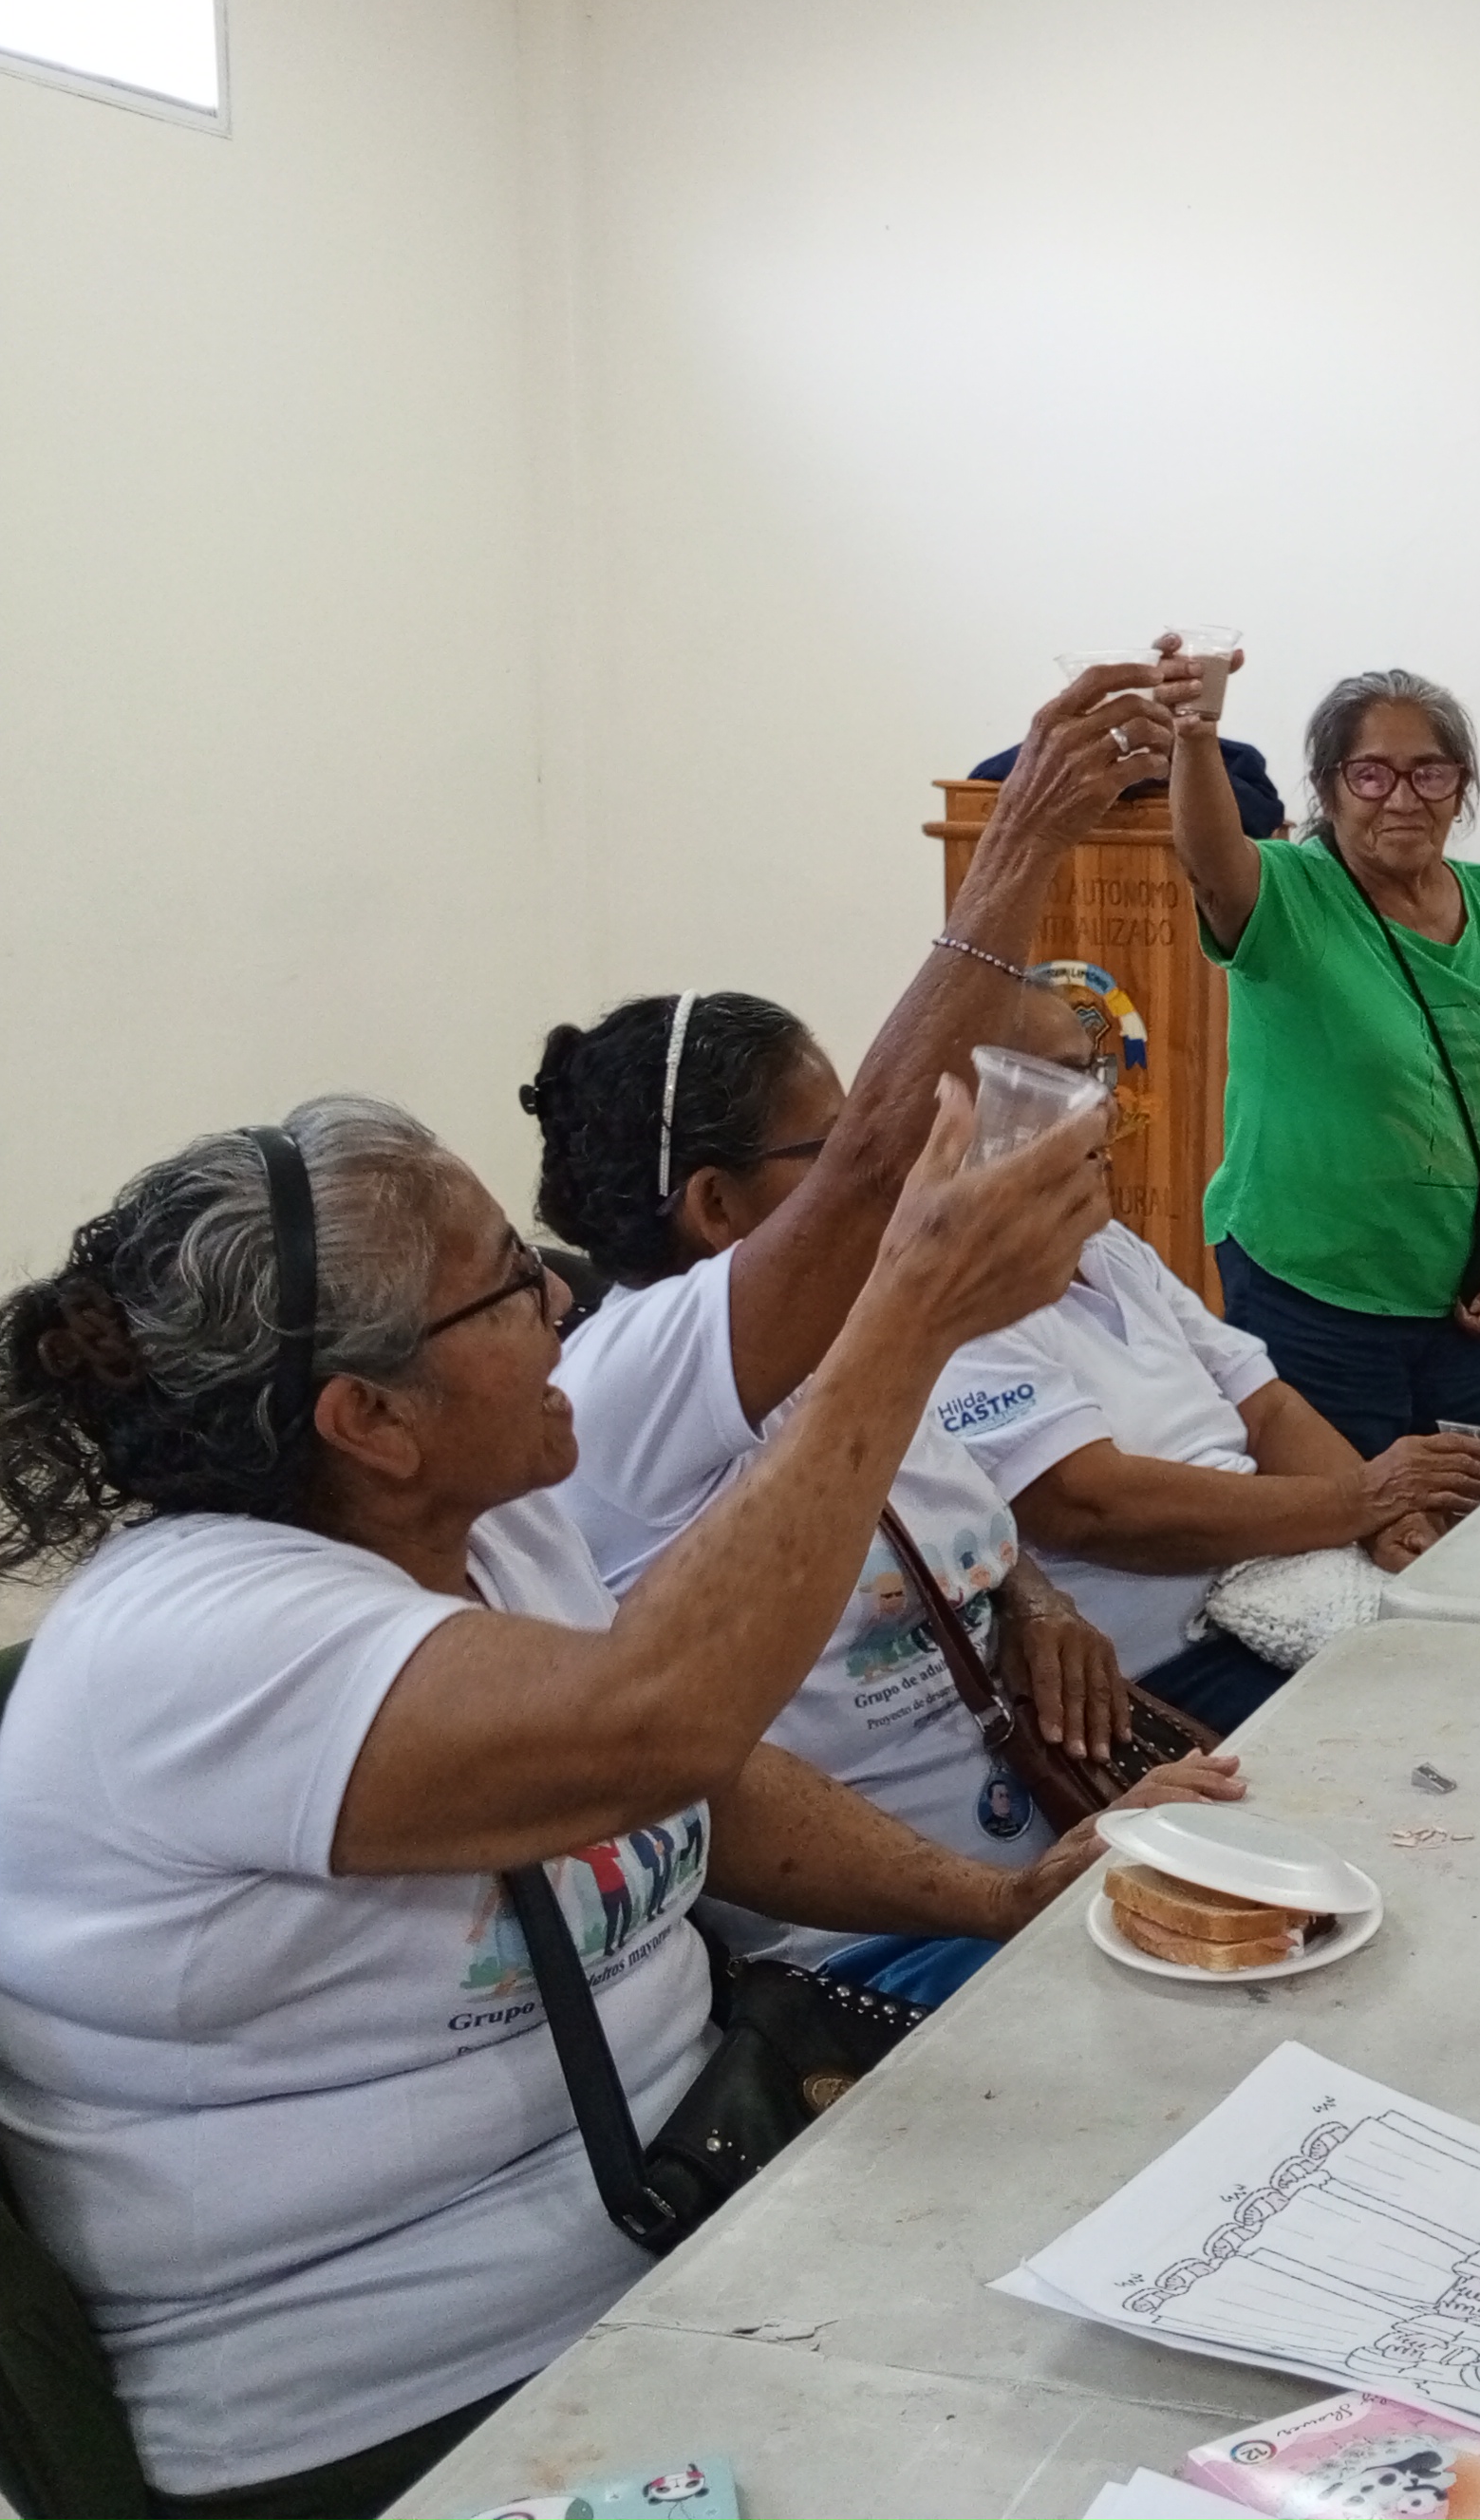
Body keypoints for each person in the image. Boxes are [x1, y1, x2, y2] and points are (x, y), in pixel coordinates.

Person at [0, 1084, 1216, 2510]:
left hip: (696, 2204)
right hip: (424, 2401)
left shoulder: (490, 1527)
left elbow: (695, 1786)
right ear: (370, 1417)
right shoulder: (200, 1645)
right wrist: (906, 1316)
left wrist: (997, 1902)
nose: (561, 1296)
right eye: (507, 1284)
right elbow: (657, 1731)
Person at [527, 672, 1242, 2004]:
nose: (899, 1155)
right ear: (715, 1208)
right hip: (880, 1952)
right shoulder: (635, 1373)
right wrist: (1021, 839)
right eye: (830, 1140)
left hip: (1054, 1844)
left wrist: (1031, 1601)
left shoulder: (837, 1357)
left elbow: (959, 1517)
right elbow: (874, 1177)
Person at [922, 963, 1480, 1734]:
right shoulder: (960, 1290)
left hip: (1280, 1576)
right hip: (1166, 1656)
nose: (1102, 1105)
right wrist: (1356, 1502)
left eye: (1095, 1074)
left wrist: (1381, 1522)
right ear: (979, 1106)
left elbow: (1265, 1406)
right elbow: (1090, 1506)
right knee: (1443, 1726)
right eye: (1062, 1080)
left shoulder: (1111, 1247)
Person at [1168, 657, 1480, 1457]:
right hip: (1311, 1299)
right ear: (1327, 790)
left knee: (1456, 1510)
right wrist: (1195, 734)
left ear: (1460, 788)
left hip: (1469, 1301)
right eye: (1370, 774)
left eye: (1430, 773)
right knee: (1341, 1518)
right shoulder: (1289, 894)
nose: (1402, 798)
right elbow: (1210, 861)